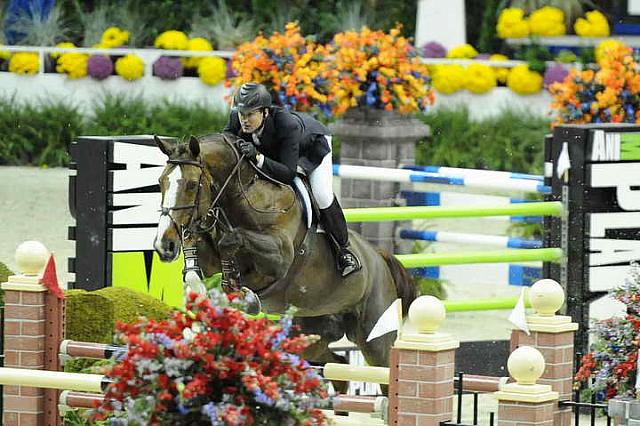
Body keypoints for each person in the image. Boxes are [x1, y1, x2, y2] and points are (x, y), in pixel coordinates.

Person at [223, 82, 361, 277]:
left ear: (265, 112)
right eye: (241, 114)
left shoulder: (287, 125)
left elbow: (287, 173)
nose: (244, 120)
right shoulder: (238, 119)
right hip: (277, 152)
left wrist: (258, 158)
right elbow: (226, 139)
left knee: (321, 194)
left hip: (312, 147)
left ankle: (344, 250)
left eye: (250, 114)